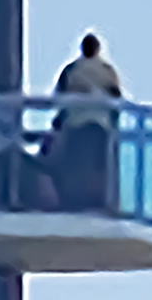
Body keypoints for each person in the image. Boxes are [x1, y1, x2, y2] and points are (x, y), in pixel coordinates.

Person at [47, 35, 121, 210]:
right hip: (100, 126)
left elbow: (60, 98)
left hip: (76, 124)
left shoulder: (72, 70)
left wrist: (59, 120)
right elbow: (117, 99)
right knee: (98, 166)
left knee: (75, 165)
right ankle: (101, 201)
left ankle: (72, 199)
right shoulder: (107, 71)